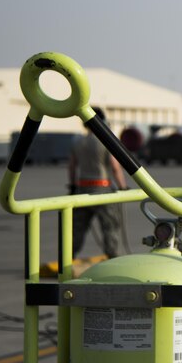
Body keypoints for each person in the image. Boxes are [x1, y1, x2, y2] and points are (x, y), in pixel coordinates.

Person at [67, 106, 129, 258]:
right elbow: (115, 166)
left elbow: (72, 166)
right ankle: (113, 258)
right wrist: (123, 187)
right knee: (110, 228)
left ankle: (67, 259)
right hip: (103, 190)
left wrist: (73, 186)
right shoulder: (106, 141)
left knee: (77, 229)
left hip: (82, 191)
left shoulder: (78, 141)